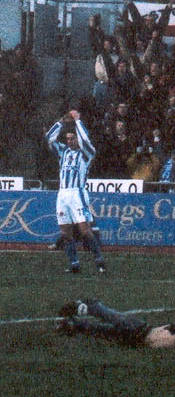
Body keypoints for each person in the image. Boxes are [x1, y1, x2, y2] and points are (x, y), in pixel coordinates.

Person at [45, 110, 106, 274]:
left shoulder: (86, 153)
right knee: (65, 232)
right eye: (68, 139)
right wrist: (61, 122)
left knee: (85, 230)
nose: (70, 141)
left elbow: (86, 139)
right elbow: (49, 138)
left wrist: (78, 121)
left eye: (72, 138)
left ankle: (99, 261)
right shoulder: (63, 152)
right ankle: (74, 264)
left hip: (77, 193)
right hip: (63, 194)